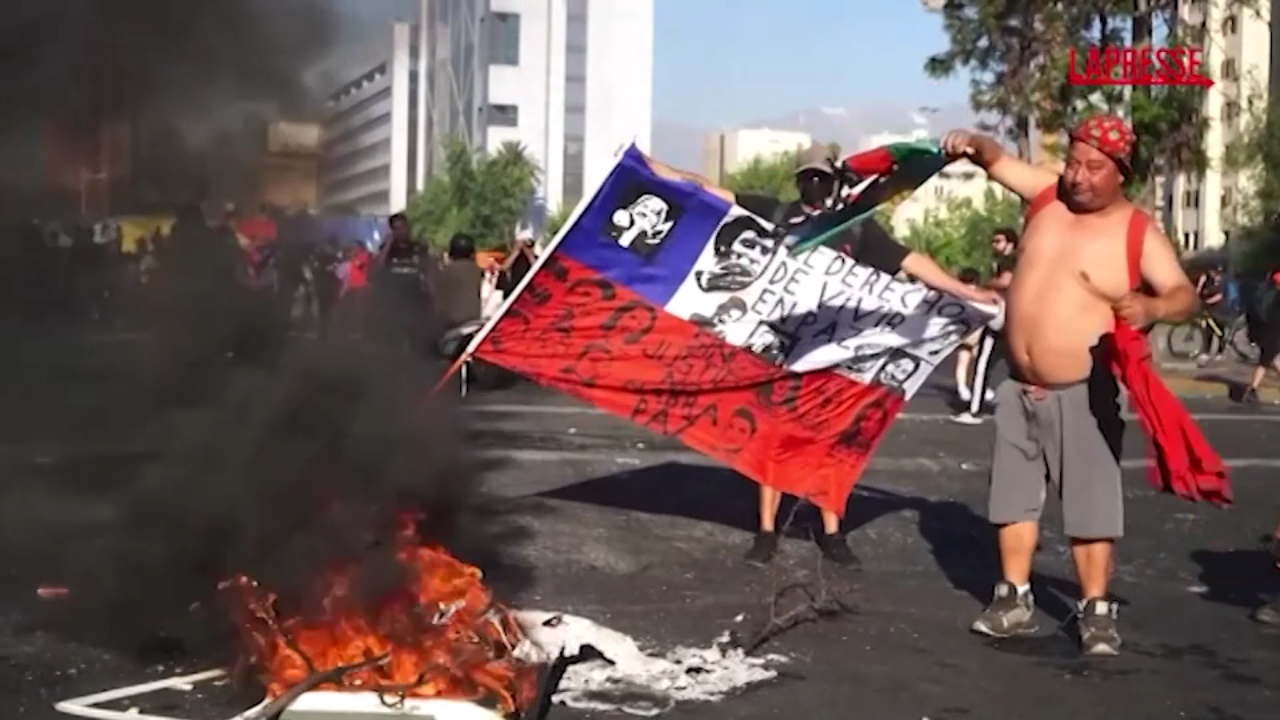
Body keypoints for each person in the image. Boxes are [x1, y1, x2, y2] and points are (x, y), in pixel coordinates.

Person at [643, 145, 1002, 568]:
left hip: (836, 358)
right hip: (780, 354)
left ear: (836, 182)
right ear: (798, 182)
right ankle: (766, 531)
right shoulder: (776, 215)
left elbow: (910, 260)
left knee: (833, 445)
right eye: (806, 179)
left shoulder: (857, 229)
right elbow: (708, 192)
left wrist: (963, 292)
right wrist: (650, 168)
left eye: (822, 178)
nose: (814, 186)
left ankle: (832, 532)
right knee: (774, 441)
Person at [940, 115, 1198, 656]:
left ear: (1120, 173)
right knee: (1011, 501)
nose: (1078, 176)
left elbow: (1181, 294)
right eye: (1073, 163)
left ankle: (1096, 610)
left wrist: (1152, 305)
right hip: (1020, 385)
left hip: (1085, 389)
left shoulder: (1136, 231)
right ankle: (1013, 598)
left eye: (1093, 167)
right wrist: (975, 144)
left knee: (1090, 507)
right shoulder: (1046, 197)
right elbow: (995, 160)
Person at [953, 228, 1018, 425]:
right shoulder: (1021, 259)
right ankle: (977, 408)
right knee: (992, 365)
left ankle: (975, 411)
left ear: (1010, 242)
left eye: (998, 241)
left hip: (1005, 320)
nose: (994, 245)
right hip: (1012, 320)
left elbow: (1006, 281)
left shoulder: (1010, 260)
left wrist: (987, 286)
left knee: (984, 365)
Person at [1241, 268, 1280, 405]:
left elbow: (1250, 311)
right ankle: (1252, 390)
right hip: (1273, 331)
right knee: (1267, 360)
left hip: (1258, 330)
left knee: (1271, 358)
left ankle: (1252, 390)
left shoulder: (1261, 291)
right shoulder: (1276, 296)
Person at [952, 267, 984, 405]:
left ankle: (976, 387)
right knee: (964, 361)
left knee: (978, 363)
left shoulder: (980, 296)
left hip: (976, 334)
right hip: (967, 333)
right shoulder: (962, 297)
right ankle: (962, 387)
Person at [1194, 266, 1228, 366]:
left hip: (1219, 310)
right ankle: (1206, 351)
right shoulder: (1208, 281)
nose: (1212, 274)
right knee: (1207, 330)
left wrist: (1208, 302)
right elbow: (1199, 292)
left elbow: (1220, 296)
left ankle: (1220, 351)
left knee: (1218, 330)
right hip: (1208, 310)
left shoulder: (1222, 282)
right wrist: (1201, 283)